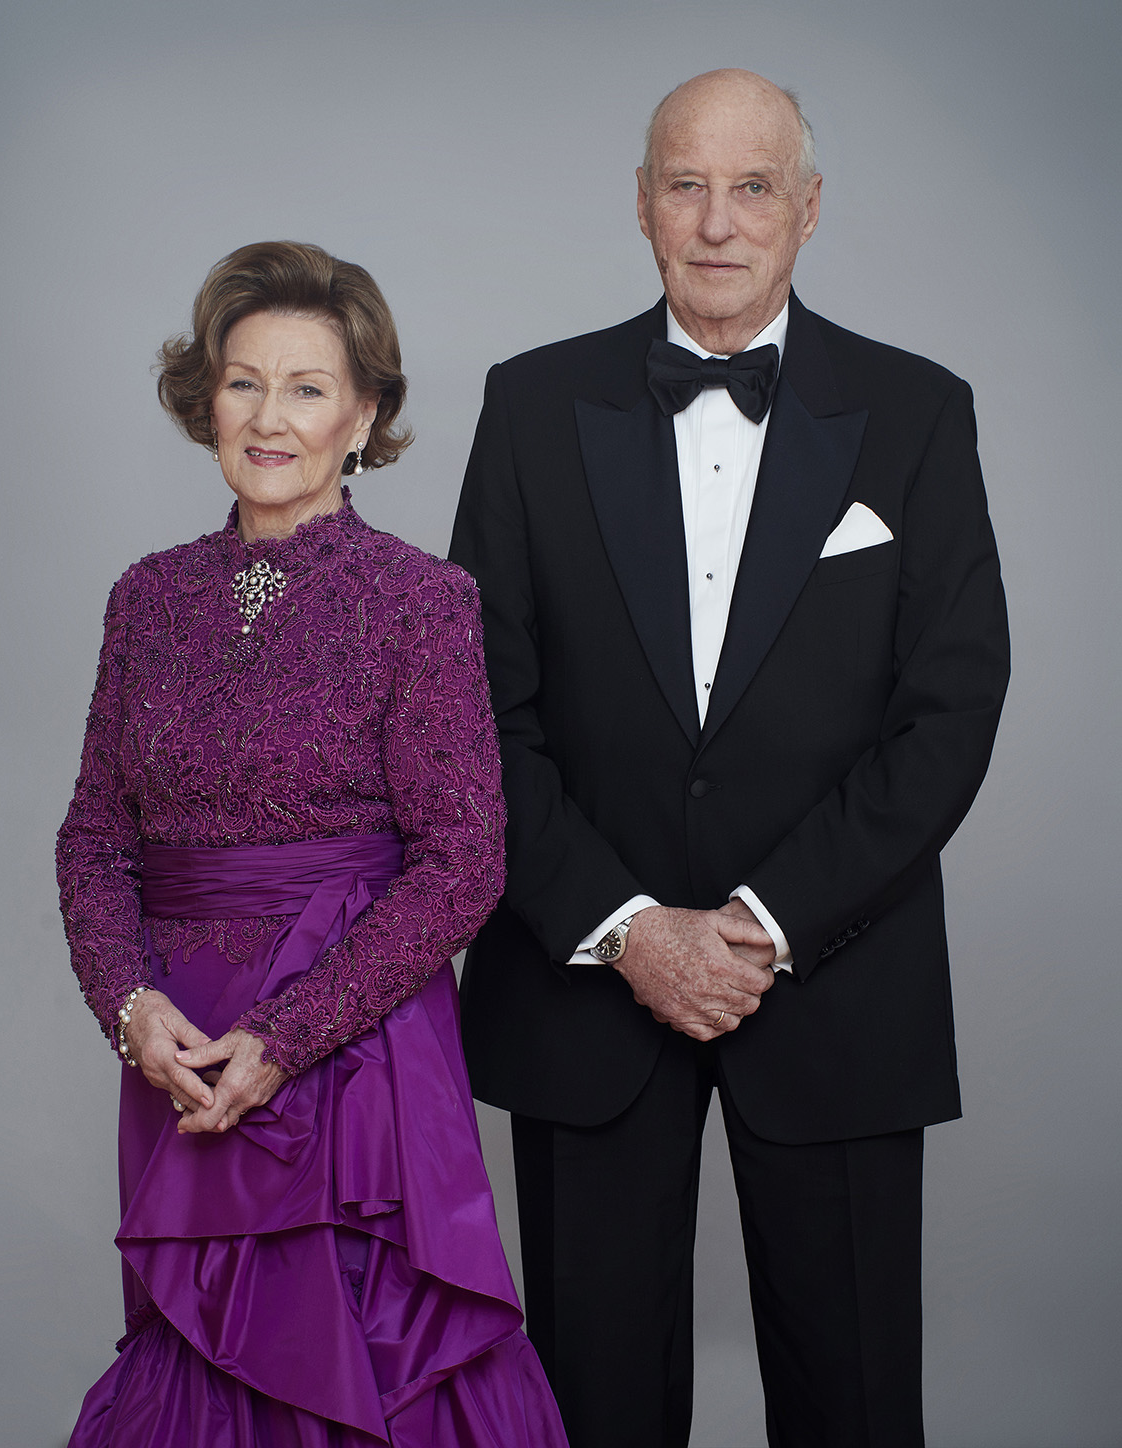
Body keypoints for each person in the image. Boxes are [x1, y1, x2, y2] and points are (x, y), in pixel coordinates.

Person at [449, 69, 1010, 1448]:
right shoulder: (527, 408)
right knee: (590, 1407)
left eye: (750, 185)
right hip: (586, 986)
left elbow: (947, 708)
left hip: (833, 982)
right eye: (684, 185)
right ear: (638, 207)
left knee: (854, 1405)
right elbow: (473, 710)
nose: (715, 221)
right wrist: (626, 927)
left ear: (806, 211)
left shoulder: (918, 413)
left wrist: (760, 926)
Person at [56, 240, 568, 1447]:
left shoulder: (420, 599)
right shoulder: (146, 595)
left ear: (364, 413)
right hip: (179, 1046)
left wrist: (284, 1039)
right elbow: (94, 835)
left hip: (355, 1058)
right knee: (195, 1360)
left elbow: (463, 861)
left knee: (365, 1360)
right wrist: (129, 1006)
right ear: (207, 403)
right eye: (243, 382)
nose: (269, 417)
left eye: (305, 386)